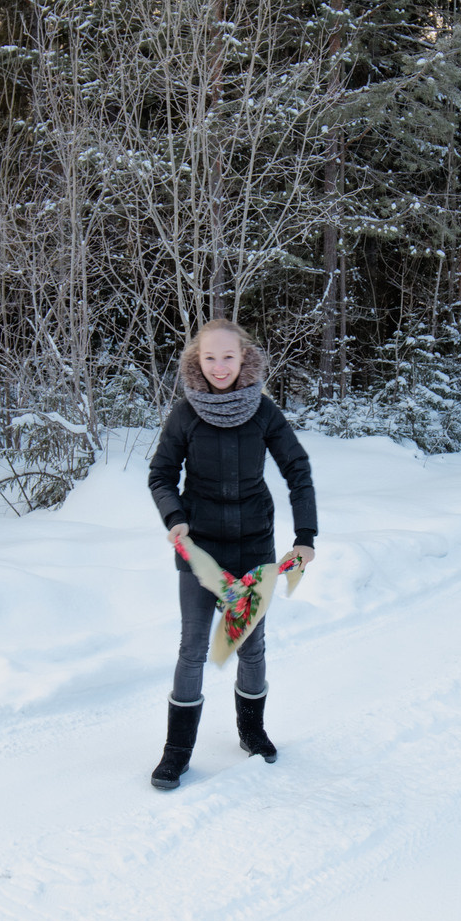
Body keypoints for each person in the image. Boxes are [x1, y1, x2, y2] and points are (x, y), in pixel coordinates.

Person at [145, 318, 318, 790]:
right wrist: (174, 518)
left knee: (251, 644)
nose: (219, 366)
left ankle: (252, 731)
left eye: (228, 356)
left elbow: (297, 469)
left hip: (253, 548)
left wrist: (306, 537)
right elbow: (161, 474)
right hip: (199, 549)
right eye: (209, 357)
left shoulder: (263, 412)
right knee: (193, 647)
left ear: (245, 359)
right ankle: (176, 752)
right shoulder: (184, 414)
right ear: (195, 362)